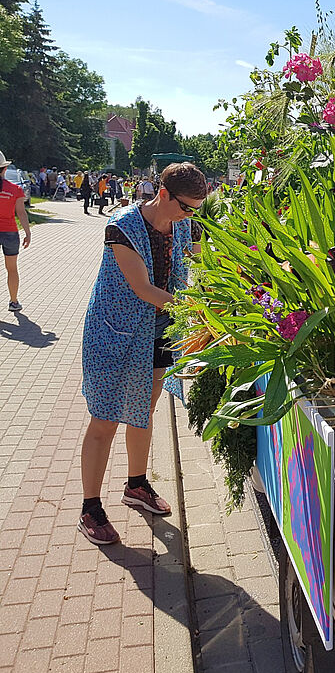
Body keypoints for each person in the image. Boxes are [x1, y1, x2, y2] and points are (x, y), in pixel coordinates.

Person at [78, 162, 206, 545]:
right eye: (186, 207)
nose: (190, 215)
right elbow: (143, 288)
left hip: (157, 333)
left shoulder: (186, 224)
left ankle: (136, 485)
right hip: (113, 335)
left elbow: (201, 264)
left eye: (197, 209)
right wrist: (197, 312)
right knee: (105, 420)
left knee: (143, 412)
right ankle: (90, 508)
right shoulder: (122, 227)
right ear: (163, 193)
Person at [0, 151, 31, 312]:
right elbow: (21, 213)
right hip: (10, 233)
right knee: (11, 269)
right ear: (4, 169)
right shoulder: (15, 189)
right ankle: (13, 302)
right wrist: (28, 233)